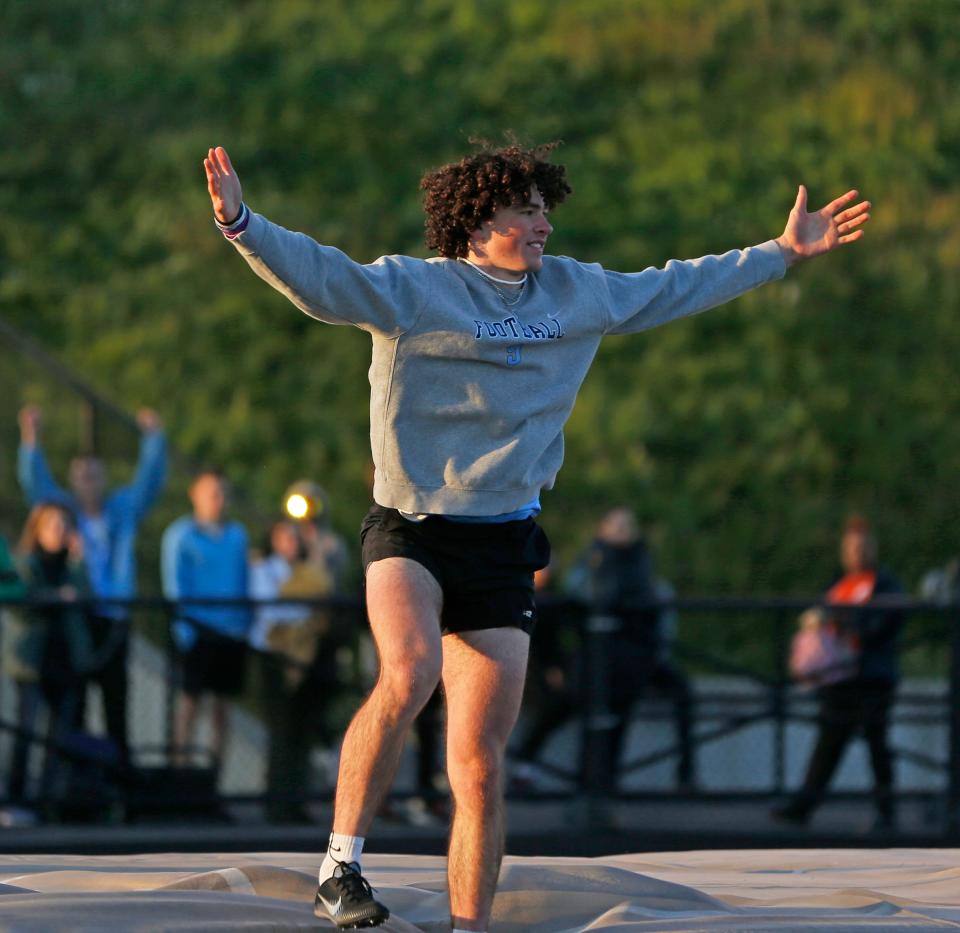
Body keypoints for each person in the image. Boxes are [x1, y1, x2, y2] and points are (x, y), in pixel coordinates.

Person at [204, 140, 870, 931]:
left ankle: (469, 925)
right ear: (480, 221)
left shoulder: (579, 291)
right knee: (410, 669)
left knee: (480, 760)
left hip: (504, 539)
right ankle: (340, 864)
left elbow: (674, 286)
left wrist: (781, 253)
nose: (545, 222)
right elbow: (323, 277)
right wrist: (242, 222)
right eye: (527, 209)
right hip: (412, 526)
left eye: (547, 207)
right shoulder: (418, 290)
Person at [17, 405, 167, 764]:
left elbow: (148, 484)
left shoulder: (120, 511)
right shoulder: (65, 515)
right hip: (78, 620)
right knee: (76, 705)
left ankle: (120, 786)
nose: (89, 481)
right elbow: (36, 487)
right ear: (73, 480)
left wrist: (154, 440)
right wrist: (31, 438)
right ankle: (77, 789)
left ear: (104, 479)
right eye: (82, 475)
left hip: (113, 618)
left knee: (117, 703)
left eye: (95, 475)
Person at [772, 515, 904, 829]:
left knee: (877, 743)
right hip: (839, 677)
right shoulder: (839, 584)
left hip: (871, 676)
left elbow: (886, 623)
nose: (856, 553)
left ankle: (886, 811)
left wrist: (846, 622)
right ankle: (804, 806)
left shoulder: (884, 583)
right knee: (829, 741)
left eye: (861, 547)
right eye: (851, 547)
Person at [161, 469, 250, 772]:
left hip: (231, 633)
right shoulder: (180, 536)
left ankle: (214, 778)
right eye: (212, 492)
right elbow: (175, 586)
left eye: (222, 493)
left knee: (222, 710)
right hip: (198, 633)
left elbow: (243, 580)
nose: (218, 500)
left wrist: (243, 626)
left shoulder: (238, 535)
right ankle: (180, 773)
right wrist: (186, 632)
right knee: (189, 705)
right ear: (195, 495)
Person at [8, 503, 93, 809]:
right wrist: (56, 596)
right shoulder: (25, 563)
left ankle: (49, 799)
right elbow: (23, 602)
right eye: (52, 525)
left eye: (63, 525)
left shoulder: (72, 566)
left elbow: (85, 600)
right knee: (26, 731)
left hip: (65, 659)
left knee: (58, 734)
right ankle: (16, 798)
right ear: (38, 529)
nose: (58, 531)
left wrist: (78, 563)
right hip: (33, 661)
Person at [250, 518, 334, 822]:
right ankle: (276, 802)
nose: (291, 543)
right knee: (281, 730)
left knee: (301, 730)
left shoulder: (304, 573)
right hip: (274, 657)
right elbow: (272, 609)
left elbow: (323, 588)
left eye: (295, 537)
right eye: (284, 536)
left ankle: (296, 801)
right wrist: (302, 608)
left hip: (304, 658)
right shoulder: (262, 569)